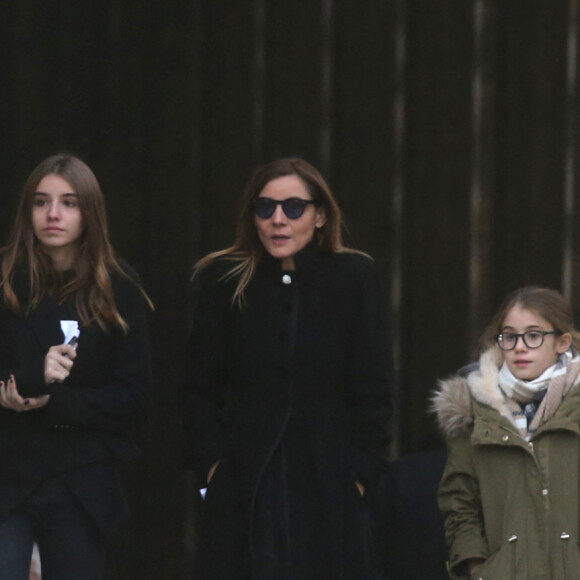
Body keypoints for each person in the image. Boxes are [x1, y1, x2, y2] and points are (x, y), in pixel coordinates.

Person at [182, 157, 392, 579]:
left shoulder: (354, 276)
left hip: (326, 482)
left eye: (293, 207)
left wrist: (359, 475)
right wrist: (213, 469)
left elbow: (373, 385)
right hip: (244, 482)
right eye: (265, 208)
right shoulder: (223, 279)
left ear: (320, 215)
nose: (278, 220)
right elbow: (197, 386)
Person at [0, 154, 152, 580]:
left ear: (90, 212)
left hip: (79, 481)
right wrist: (18, 385)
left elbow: (135, 399)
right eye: (40, 202)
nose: (53, 214)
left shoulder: (119, 286)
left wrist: (53, 402)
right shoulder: (4, 278)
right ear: (26, 211)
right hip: (8, 475)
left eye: (69, 202)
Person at [432, 286, 580, 579]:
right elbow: (459, 500)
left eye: (534, 335)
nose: (520, 347)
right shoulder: (475, 411)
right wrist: (478, 565)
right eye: (510, 336)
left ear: (562, 342)